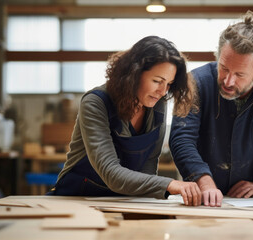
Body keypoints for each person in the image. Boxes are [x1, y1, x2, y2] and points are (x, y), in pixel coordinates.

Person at [169, 11, 253, 207]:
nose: (228, 81)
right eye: (223, 68)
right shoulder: (193, 83)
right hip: (201, 199)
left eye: (240, 74)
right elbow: (181, 139)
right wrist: (205, 183)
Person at [49, 36, 201, 206]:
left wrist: (146, 205)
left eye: (169, 84)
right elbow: (110, 172)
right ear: (134, 74)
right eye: (157, 81)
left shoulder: (158, 103)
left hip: (123, 200)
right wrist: (170, 184)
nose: (162, 91)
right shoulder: (96, 103)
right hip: (76, 200)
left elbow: (148, 165)